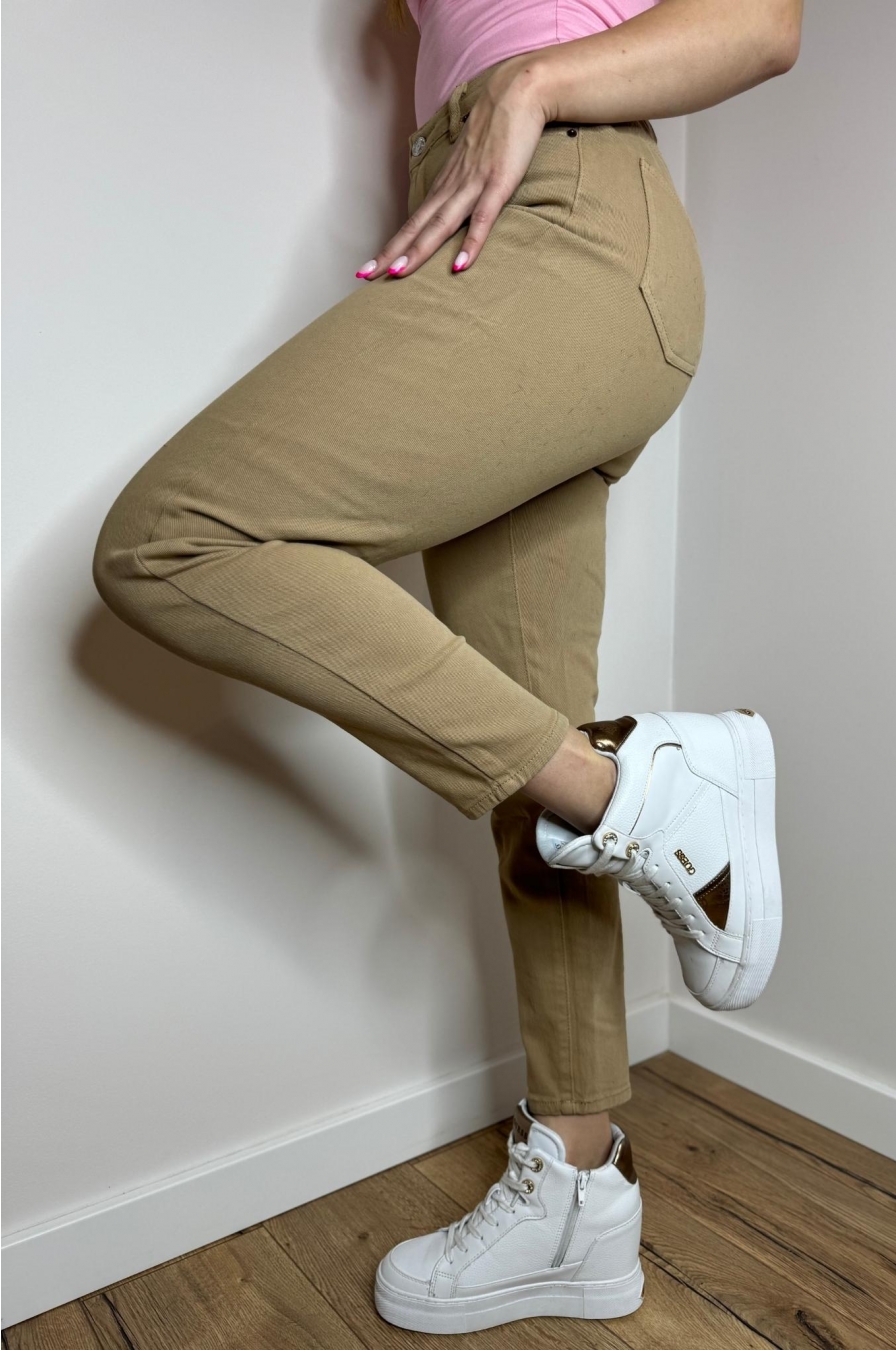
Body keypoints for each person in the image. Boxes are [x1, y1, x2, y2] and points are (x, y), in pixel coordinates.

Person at [92, 0, 802, 1332]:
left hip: (574, 220)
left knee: (171, 541)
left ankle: (643, 796)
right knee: (532, 755)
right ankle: (579, 1197)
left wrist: (531, 84)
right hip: (498, 222)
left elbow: (762, 21)